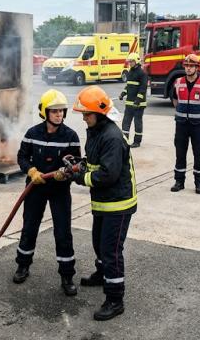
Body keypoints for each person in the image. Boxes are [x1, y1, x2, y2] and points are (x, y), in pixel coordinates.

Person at [71, 85, 136, 321]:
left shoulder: (112, 137)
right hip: (103, 202)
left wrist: (81, 177)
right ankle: (102, 274)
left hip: (117, 204)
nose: (83, 118)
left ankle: (115, 299)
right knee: (99, 242)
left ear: (98, 113)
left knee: (111, 251)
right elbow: (95, 161)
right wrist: (80, 165)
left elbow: (108, 174)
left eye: (86, 114)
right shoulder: (96, 131)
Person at [13, 89, 81, 296]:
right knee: (29, 227)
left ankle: (67, 275)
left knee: (62, 232)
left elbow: (77, 165)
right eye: (54, 111)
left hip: (59, 190)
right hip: (35, 188)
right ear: (44, 112)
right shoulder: (32, 134)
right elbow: (22, 157)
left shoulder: (71, 136)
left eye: (61, 111)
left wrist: (66, 175)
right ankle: (23, 265)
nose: (59, 114)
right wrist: (31, 170)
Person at [171, 54, 200, 194]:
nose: (188, 68)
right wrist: (181, 112)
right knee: (180, 153)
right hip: (181, 124)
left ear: (197, 67)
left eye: (191, 66)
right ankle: (179, 181)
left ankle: (199, 183)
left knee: (198, 154)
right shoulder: (178, 82)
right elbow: (175, 101)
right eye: (186, 66)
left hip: (198, 125)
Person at [119, 52, 148, 148]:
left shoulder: (142, 73)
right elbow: (129, 86)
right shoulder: (130, 72)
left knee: (137, 123)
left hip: (139, 104)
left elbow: (143, 89)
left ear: (137, 61)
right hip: (129, 103)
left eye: (131, 61)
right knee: (126, 122)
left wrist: (137, 101)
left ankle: (137, 142)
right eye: (129, 61)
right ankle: (124, 140)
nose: (130, 63)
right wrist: (123, 93)